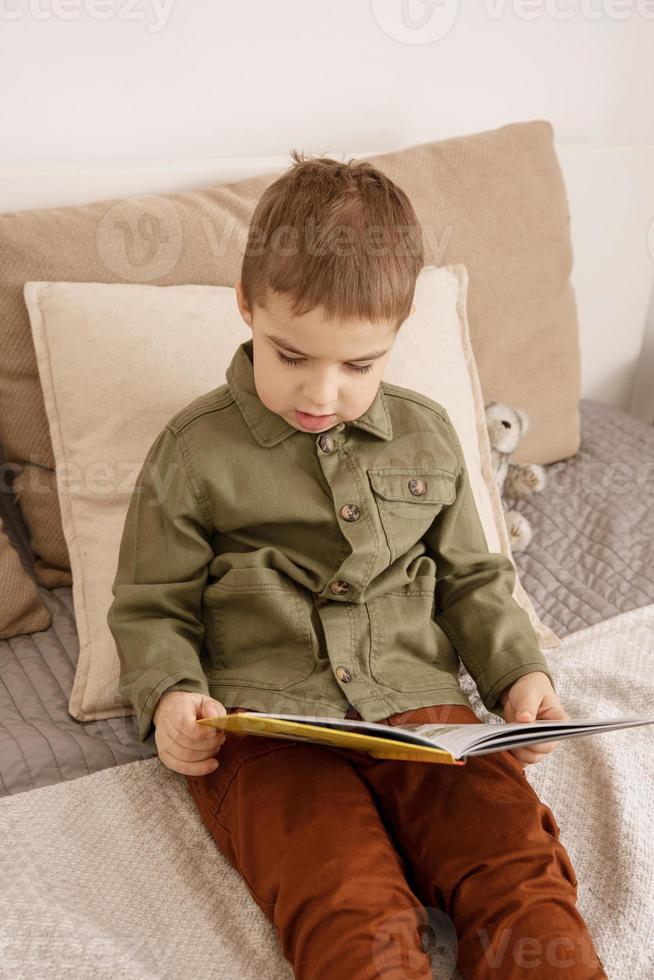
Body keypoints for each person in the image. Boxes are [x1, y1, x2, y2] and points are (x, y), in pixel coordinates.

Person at [107, 151, 607, 979]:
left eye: (359, 366)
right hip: (268, 730)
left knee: (519, 873)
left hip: (425, 715)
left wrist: (517, 675)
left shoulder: (428, 435)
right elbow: (151, 602)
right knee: (347, 905)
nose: (322, 392)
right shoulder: (192, 453)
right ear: (245, 306)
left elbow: (473, 578)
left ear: (396, 339)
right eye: (292, 355)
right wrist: (169, 693)